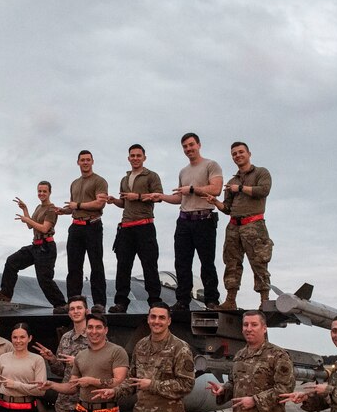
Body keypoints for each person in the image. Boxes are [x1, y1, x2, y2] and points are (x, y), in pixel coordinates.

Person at [151, 133, 223, 311]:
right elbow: (179, 198)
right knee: (182, 262)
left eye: (191, 145)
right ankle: (183, 300)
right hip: (184, 220)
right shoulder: (183, 171)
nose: (188, 149)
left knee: (207, 262)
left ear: (199, 144)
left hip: (204, 219)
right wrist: (161, 196)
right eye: (185, 146)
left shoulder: (211, 165)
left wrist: (191, 189)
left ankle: (211, 300)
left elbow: (216, 189)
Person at [202, 141, 272, 310]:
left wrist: (240, 188)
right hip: (234, 226)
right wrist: (216, 202)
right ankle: (230, 300)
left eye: (241, 152)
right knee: (231, 263)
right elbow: (227, 208)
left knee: (259, 262)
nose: (238, 156)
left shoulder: (261, 173)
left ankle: (264, 301)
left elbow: (263, 190)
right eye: (234, 153)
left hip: (254, 224)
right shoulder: (232, 181)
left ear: (249, 154)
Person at [0, 182, 67, 312]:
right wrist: (25, 209)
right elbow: (30, 226)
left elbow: (44, 228)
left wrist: (27, 220)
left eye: (44, 191)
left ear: (49, 193)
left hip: (46, 247)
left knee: (44, 280)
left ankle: (61, 305)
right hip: (35, 246)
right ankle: (5, 294)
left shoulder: (51, 209)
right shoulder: (39, 207)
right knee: (11, 262)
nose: (41, 194)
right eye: (39, 191)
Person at [106, 144, 164, 313]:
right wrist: (113, 200)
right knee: (123, 266)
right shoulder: (125, 179)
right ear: (128, 158)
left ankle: (154, 301)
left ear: (144, 157)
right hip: (126, 228)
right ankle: (121, 302)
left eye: (139, 155)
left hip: (144, 226)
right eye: (132, 155)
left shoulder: (151, 176)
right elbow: (124, 203)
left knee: (149, 264)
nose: (135, 158)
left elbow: (158, 197)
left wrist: (137, 196)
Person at [57, 150, 109, 313]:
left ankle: (99, 303)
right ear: (78, 162)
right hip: (76, 227)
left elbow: (99, 204)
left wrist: (77, 205)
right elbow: (74, 207)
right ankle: (73, 302)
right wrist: (63, 210)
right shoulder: (74, 183)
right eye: (82, 160)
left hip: (92, 225)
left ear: (92, 161)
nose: (85, 162)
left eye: (88, 160)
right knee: (73, 267)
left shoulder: (99, 181)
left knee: (96, 265)